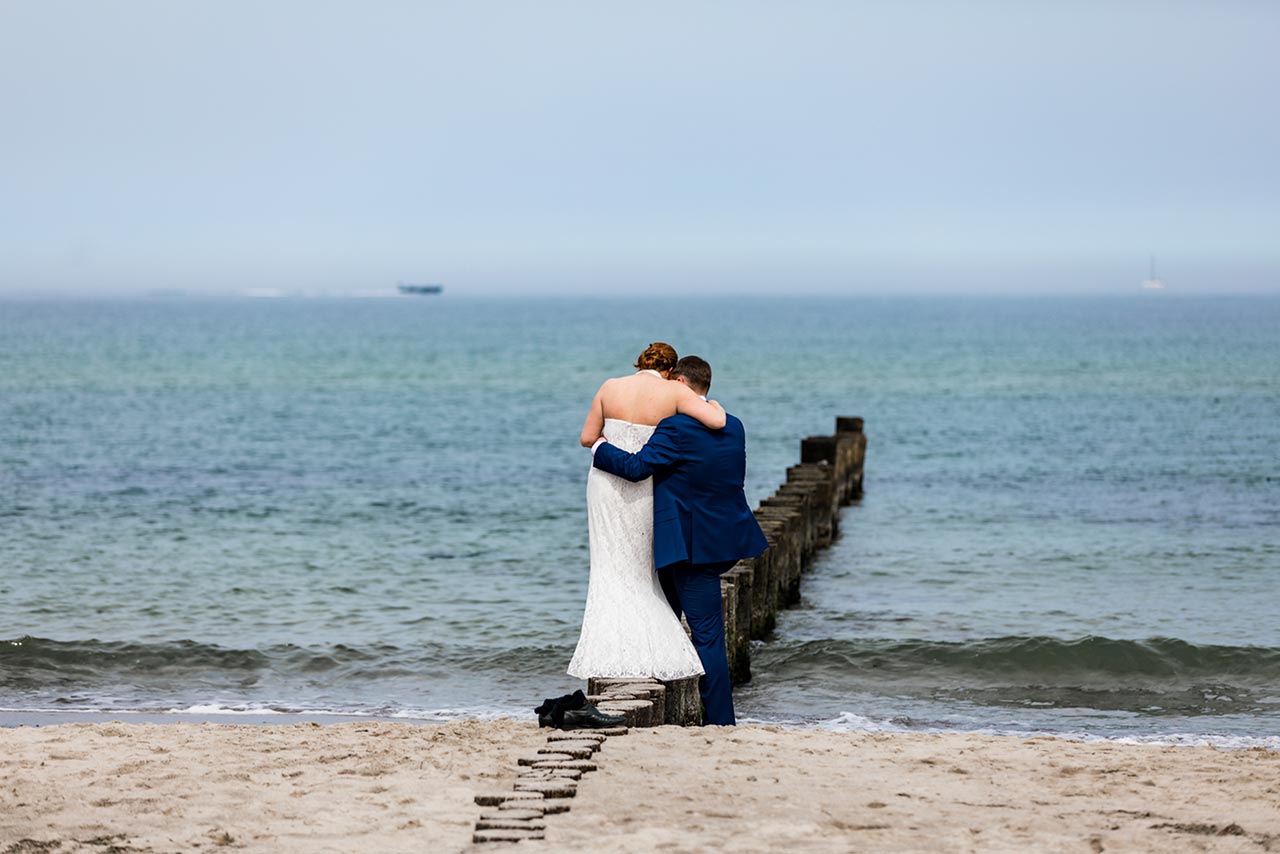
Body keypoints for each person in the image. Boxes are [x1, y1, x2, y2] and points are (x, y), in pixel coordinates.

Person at [590, 356, 767, 726]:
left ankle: (720, 722)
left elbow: (637, 469)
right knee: (663, 619)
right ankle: (667, 712)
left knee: (707, 637)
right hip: (724, 538)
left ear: (681, 384)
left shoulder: (676, 429)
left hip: (690, 547)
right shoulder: (733, 425)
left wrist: (600, 447)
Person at [567, 343, 727, 685]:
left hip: (604, 486)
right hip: (644, 488)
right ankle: (652, 649)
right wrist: (713, 402)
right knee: (641, 571)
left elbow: (587, 438)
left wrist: (606, 446)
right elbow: (717, 420)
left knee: (610, 567)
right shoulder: (672, 392)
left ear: (641, 362)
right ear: (670, 371)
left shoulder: (609, 386)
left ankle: (608, 650)